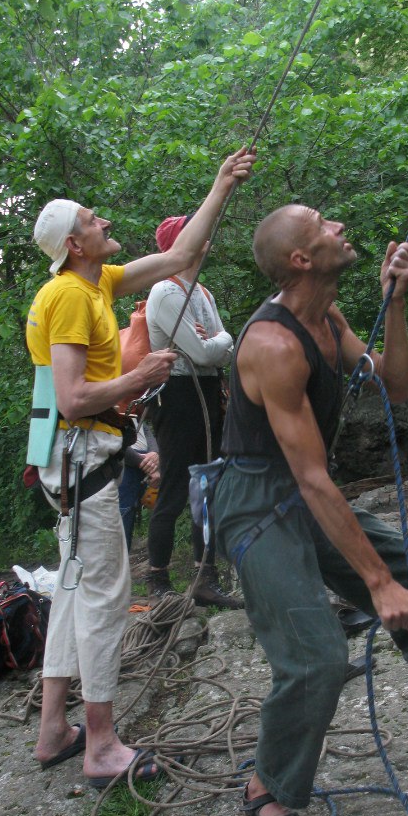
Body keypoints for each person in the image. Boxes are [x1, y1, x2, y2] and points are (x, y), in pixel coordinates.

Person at [213, 205, 408, 816]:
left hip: (302, 488)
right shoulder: (273, 344)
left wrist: (396, 301)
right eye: (322, 226)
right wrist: (375, 583)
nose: (340, 228)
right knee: (319, 655)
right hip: (256, 498)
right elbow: (314, 479)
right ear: (301, 259)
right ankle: (266, 786)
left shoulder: (329, 319)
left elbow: (396, 386)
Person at [26, 146, 256, 786]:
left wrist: (221, 184)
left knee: (74, 592)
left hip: (73, 463)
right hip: (87, 460)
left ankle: (54, 731)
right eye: (94, 221)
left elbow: (181, 257)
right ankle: (101, 746)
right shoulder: (70, 296)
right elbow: (72, 398)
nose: (105, 225)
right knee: (103, 597)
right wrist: (141, 374)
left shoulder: (94, 284)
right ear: (75, 243)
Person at [144, 214, 240, 609]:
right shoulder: (166, 293)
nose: (205, 236)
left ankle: (205, 577)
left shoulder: (202, 292)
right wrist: (218, 342)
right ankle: (157, 581)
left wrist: (219, 340)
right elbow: (204, 351)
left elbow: (223, 344)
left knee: (206, 486)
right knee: (174, 489)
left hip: (203, 389)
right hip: (178, 394)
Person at [118, 419, 159, 551]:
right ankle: (119, 567)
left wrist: (154, 454)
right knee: (123, 519)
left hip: (147, 464)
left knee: (154, 508)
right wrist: (145, 463)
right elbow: (115, 441)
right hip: (125, 467)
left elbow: (145, 430)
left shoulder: (134, 406)